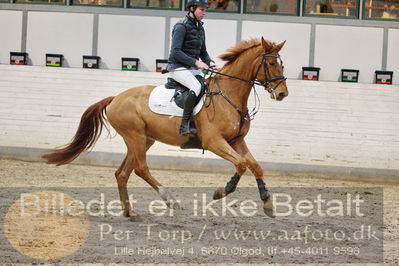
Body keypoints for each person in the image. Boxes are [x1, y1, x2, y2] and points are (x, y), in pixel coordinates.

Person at [168, 0, 217, 136]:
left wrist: (210, 62)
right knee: (196, 86)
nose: (204, 13)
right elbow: (175, 52)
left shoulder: (200, 27)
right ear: (192, 8)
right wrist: (196, 62)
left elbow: (203, 52)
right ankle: (184, 126)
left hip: (191, 68)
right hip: (177, 67)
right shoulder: (181, 26)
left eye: (205, 10)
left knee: (207, 86)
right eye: (201, 10)